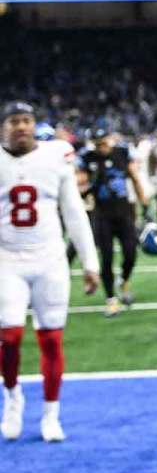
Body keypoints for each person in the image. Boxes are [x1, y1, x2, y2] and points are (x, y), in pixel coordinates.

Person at [1, 102, 100, 442]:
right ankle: (13, 396)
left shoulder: (55, 158)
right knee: (9, 337)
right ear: (4, 127)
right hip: (6, 260)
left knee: (52, 340)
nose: (21, 127)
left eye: (27, 120)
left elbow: (73, 212)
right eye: (14, 121)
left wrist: (90, 263)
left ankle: (51, 413)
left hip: (49, 258)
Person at [78, 130, 149, 317]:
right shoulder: (88, 158)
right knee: (107, 258)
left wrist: (145, 203)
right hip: (102, 216)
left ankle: (124, 280)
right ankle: (111, 300)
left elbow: (134, 177)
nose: (102, 146)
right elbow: (78, 185)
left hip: (124, 213)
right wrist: (91, 184)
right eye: (98, 143)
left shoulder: (122, 153)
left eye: (104, 142)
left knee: (131, 253)